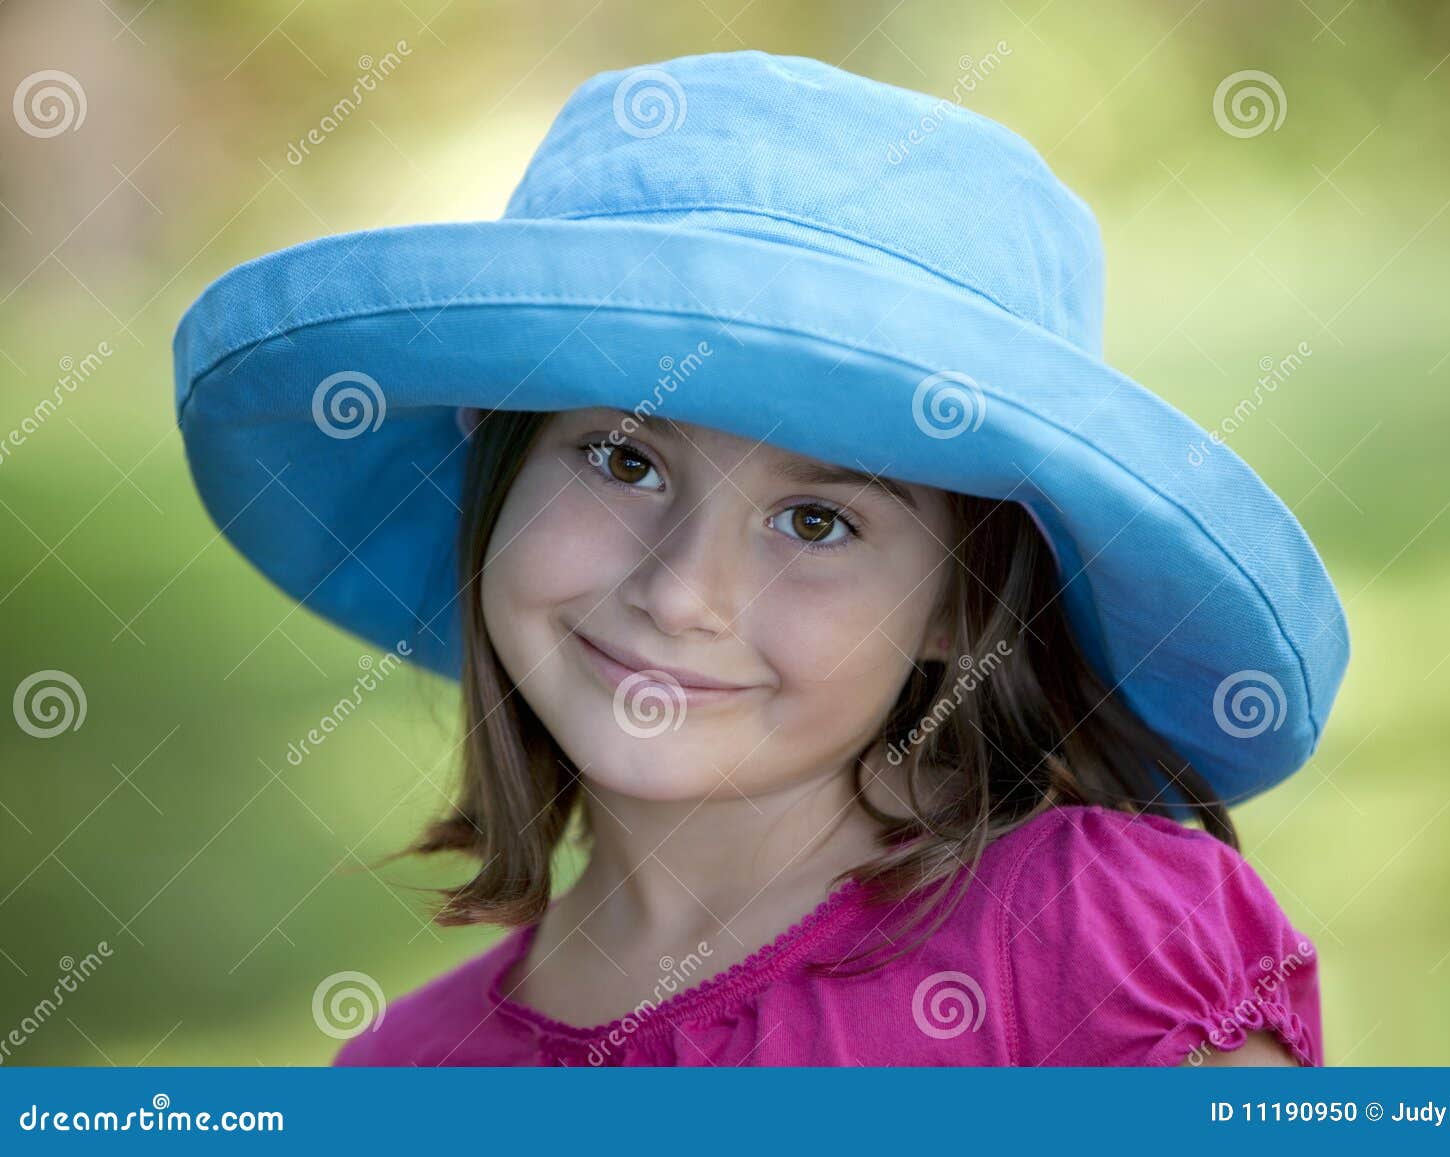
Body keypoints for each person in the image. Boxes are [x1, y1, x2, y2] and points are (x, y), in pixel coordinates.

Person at [173, 50, 1349, 1067]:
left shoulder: (1089, 940)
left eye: (819, 522)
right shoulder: (404, 1075)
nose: (684, 593)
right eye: (623, 460)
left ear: (961, 605)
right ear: (498, 469)